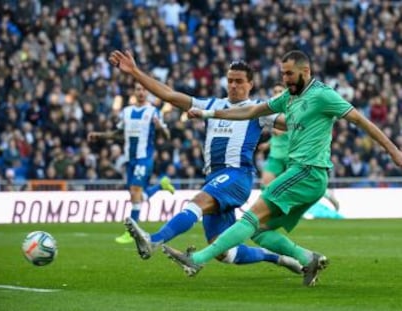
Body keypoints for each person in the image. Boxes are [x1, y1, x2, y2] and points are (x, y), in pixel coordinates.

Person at [161, 50, 402, 286]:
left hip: (307, 171)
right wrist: (208, 113)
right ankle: (308, 258)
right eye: (282, 74)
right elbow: (252, 110)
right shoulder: (289, 97)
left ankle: (197, 259)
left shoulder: (323, 96)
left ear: (305, 71)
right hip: (301, 175)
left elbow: (361, 120)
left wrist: (393, 151)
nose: (285, 79)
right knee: (259, 231)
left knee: (250, 218)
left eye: (289, 74)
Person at [108, 50, 302, 273]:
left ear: (251, 84)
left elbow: (290, 123)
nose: (233, 85)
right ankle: (278, 258)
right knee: (222, 251)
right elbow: (170, 95)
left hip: (237, 175)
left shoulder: (258, 109)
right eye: (230, 81)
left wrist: (303, 110)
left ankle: (154, 239)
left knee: (198, 201)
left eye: (239, 81)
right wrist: (134, 71)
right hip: (216, 178)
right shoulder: (210, 104)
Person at [87, 82, 175, 244]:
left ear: (147, 93)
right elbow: (119, 134)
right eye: (138, 89)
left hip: (145, 158)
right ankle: (160, 185)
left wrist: (160, 128)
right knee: (136, 196)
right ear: (134, 92)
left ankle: (132, 232)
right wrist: (100, 135)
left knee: (135, 191)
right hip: (129, 159)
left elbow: (167, 135)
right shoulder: (126, 112)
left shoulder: (153, 112)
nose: (141, 92)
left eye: (144, 89)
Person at [260, 82, 342, 219]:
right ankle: (269, 211)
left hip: (289, 155)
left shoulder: (291, 108)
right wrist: (267, 145)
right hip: (275, 155)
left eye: (280, 90)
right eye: (275, 91)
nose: (277, 93)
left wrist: (277, 128)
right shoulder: (273, 109)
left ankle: (325, 195)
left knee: (297, 185)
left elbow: (290, 130)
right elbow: (275, 136)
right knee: (265, 183)